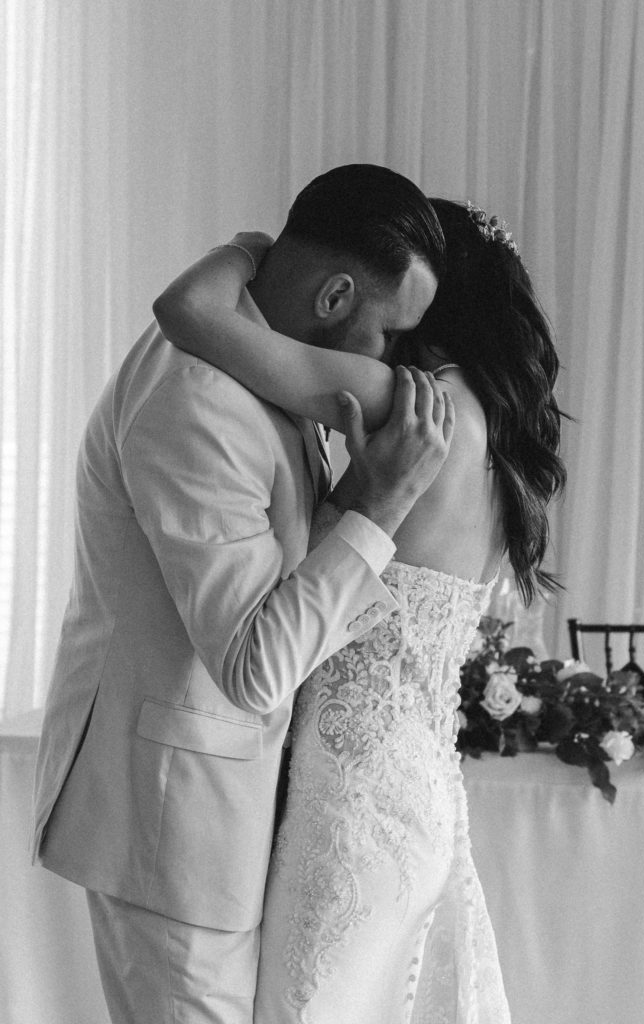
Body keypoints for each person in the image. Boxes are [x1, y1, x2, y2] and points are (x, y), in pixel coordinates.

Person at [31, 164, 452, 1024]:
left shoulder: (243, 346)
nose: (393, 361)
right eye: (391, 332)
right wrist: (376, 510)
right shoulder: (199, 403)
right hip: (174, 827)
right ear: (334, 294)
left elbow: (273, 567)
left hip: (225, 816)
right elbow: (254, 667)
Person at [155, 197, 566, 1023]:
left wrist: (257, 250)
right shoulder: (498, 438)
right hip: (417, 794)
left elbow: (192, 316)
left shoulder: (410, 400)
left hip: (347, 802)